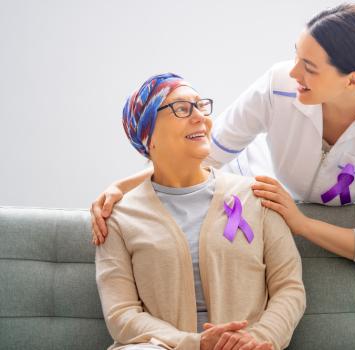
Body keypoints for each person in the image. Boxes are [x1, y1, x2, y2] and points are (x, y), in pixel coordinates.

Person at [92, 4, 355, 269]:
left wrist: (300, 223)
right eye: (296, 56)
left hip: (312, 218)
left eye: (309, 67)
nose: (293, 73)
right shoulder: (279, 84)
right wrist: (121, 187)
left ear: (352, 81)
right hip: (249, 197)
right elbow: (208, 157)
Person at [95, 73, 305, 350]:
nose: (200, 117)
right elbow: (121, 314)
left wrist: (256, 338)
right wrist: (194, 343)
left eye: (200, 106)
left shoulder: (257, 196)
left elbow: (289, 288)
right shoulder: (118, 217)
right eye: (181, 109)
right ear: (148, 135)